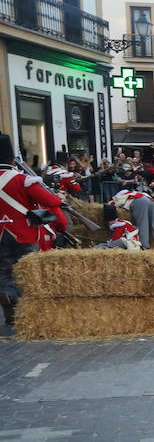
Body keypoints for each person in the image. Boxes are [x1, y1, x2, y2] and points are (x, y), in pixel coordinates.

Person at [0, 133, 68, 326]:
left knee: (3, 272)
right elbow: (51, 201)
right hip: (23, 233)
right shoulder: (22, 179)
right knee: (26, 271)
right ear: (12, 159)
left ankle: (9, 308)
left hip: (0, 234)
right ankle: (27, 312)